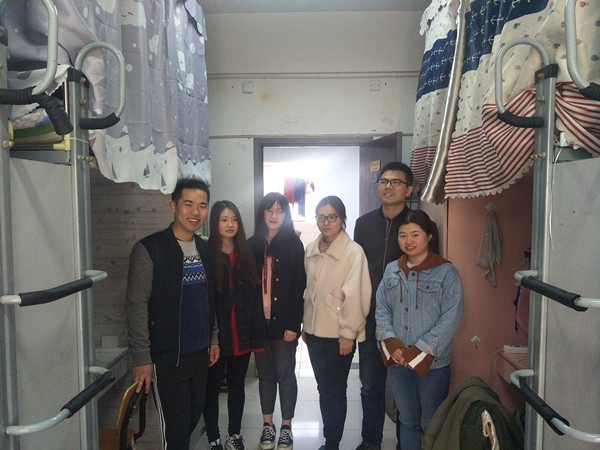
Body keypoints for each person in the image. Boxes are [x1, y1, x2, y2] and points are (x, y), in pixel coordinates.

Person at [125, 178, 219, 450]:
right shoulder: (150, 250)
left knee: (190, 421)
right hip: (167, 359)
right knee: (175, 434)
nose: (195, 212)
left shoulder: (205, 249)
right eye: (188, 204)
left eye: (202, 206)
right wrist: (141, 356)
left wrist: (213, 337)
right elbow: (136, 305)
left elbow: (209, 299)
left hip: (200, 355)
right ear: (173, 206)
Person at [375, 209, 463, 450]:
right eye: (403, 235)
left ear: (429, 236)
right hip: (399, 361)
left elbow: (451, 319)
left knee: (432, 423)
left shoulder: (446, 273)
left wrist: (420, 351)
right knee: (407, 421)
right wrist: (391, 342)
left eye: (415, 234)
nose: (408, 241)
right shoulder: (391, 270)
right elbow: (382, 309)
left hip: (433, 365)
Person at [302, 196, 371, 450]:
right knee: (324, 388)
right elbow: (309, 290)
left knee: (335, 390)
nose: (326, 222)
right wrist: (306, 325)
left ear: (342, 219)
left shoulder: (353, 252)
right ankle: (329, 438)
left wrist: (348, 334)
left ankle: (332, 442)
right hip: (314, 333)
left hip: (338, 336)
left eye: (332, 217)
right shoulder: (311, 249)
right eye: (321, 217)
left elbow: (357, 295)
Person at [353, 161, 414, 450]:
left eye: (396, 182)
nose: (388, 186)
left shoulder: (418, 223)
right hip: (370, 318)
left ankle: (406, 442)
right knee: (370, 385)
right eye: (383, 181)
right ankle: (370, 442)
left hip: (406, 320)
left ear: (409, 189)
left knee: (404, 386)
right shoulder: (363, 224)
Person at [203, 201, 266, 450]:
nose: (230, 225)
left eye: (234, 219)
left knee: (237, 386)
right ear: (215, 223)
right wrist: (212, 336)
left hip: (242, 333)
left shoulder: (245, 252)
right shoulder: (206, 253)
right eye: (224, 220)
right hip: (217, 336)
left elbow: (254, 295)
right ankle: (213, 438)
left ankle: (234, 434)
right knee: (212, 388)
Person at [248, 192, 306, 450]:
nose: (274, 215)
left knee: (285, 374)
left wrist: (294, 324)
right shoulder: (251, 245)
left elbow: (299, 287)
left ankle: (286, 427)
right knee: (265, 376)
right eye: (269, 210)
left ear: (286, 215)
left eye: (280, 211)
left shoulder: (293, 244)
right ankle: (267, 426)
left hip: (284, 325)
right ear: (262, 213)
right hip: (259, 324)